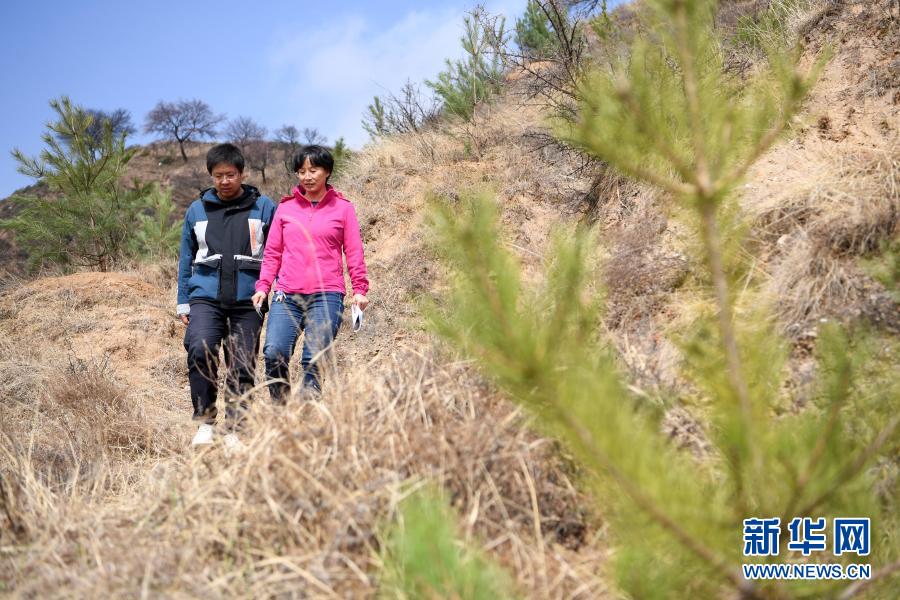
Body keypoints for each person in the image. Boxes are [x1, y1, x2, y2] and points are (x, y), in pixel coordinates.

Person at [176, 143, 276, 447]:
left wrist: (273, 288)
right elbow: (185, 257)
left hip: (249, 299)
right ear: (211, 176)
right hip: (206, 297)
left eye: (230, 174)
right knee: (200, 347)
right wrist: (183, 299)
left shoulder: (264, 207)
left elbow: (276, 251)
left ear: (242, 173)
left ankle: (236, 429)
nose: (224, 181)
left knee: (243, 362)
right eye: (218, 175)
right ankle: (205, 422)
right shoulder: (197, 210)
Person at [252, 144, 369, 401]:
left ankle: (309, 410)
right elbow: (273, 252)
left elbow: (354, 251)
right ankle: (281, 408)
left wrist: (359, 289)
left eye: (313, 170)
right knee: (274, 352)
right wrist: (263, 286)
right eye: (302, 171)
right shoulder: (286, 208)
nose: (307, 176)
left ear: (326, 171)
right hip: (287, 294)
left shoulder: (343, 208)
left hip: (327, 294)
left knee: (313, 357)